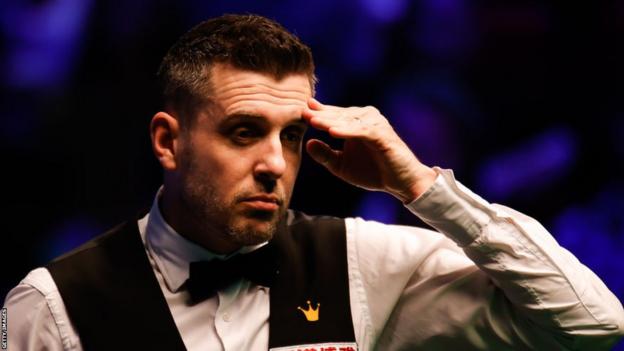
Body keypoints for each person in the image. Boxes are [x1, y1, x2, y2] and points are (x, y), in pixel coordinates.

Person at [3, 14, 624, 351]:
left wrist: (423, 187)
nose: (275, 162)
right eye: (243, 132)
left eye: (292, 137)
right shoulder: (54, 306)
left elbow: (593, 326)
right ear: (169, 141)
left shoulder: (364, 265)